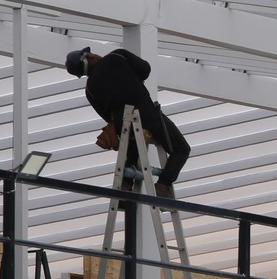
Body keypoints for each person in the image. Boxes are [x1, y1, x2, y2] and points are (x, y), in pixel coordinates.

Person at [67, 45, 191, 195]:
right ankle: (163, 185)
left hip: (124, 124)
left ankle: (125, 186)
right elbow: (145, 69)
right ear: (89, 56)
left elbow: (107, 116)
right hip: (147, 113)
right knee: (181, 149)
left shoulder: (90, 90)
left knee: (132, 155)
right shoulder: (117, 56)